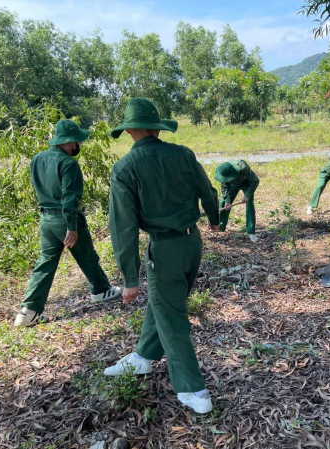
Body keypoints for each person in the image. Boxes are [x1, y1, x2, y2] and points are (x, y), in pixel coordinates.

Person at [104, 98, 220, 414]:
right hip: (191, 243)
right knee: (164, 302)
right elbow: (208, 191)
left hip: (165, 249)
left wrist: (129, 278)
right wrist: (214, 219)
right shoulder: (183, 154)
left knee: (172, 317)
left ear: (130, 130)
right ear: (156, 128)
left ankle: (194, 389)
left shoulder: (124, 169)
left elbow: (123, 227)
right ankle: (143, 357)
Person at [14, 120, 122, 327]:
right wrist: (72, 227)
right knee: (87, 255)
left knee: (45, 263)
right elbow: (70, 197)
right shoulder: (68, 163)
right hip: (65, 219)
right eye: (78, 142)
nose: (79, 146)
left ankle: (28, 311)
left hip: (46, 219)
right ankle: (100, 290)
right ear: (71, 142)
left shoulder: (37, 159)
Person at [215, 160, 260, 242]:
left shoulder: (243, 168)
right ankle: (220, 227)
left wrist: (247, 195)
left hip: (247, 184)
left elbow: (255, 181)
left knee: (250, 204)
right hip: (232, 185)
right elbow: (225, 188)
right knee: (224, 203)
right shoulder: (222, 173)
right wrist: (227, 201)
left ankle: (250, 231)